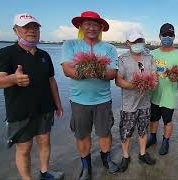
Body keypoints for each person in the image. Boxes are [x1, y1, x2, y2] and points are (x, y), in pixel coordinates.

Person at [0, 13, 64, 180]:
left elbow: (52, 81)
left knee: (45, 142)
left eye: (35, 27)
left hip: (45, 108)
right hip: (20, 111)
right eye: (26, 27)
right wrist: (13, 78)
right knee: (24, 149)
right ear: (15, 30)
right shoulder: (5, 53)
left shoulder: (44, 55)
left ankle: (44, 172)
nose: (31, 30)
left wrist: (58, 104)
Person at [60, 11, 119, 179]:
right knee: (82, 135)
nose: (91, 28)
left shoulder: (109, 48)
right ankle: (86, 167)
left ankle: (106, 160)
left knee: (105, 132)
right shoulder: (70, 45)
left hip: (103, 100)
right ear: (81, 26)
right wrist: (92, 71)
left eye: (95, 24)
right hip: (79, 101)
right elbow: (67, 70)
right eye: (87, 24)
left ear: (101, 27)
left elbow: (112, 73)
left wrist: (95, 72)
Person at [115, 29, 157, 172]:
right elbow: (118, 81)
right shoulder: (122, 59)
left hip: (145, 102)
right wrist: (135, 85)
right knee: (126, 132)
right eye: (134, 41)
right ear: (128, 43)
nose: (138, 44)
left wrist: (152, 82)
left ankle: (142, 154)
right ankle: (126, 157)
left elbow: (154, 75)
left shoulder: (149, 57)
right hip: (128, 105)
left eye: (140, 41)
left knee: (143, 130)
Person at [146, 23, 178, 155]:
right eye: (165, 35)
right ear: (160, 36)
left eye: (170, 35)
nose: (167, 37)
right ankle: (152, 138)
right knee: (153, 118)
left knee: (167, 120)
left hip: (169, 96)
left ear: (174, 37)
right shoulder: (152, 54)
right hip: (153, 94)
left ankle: (165, 141)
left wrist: (177, 77)